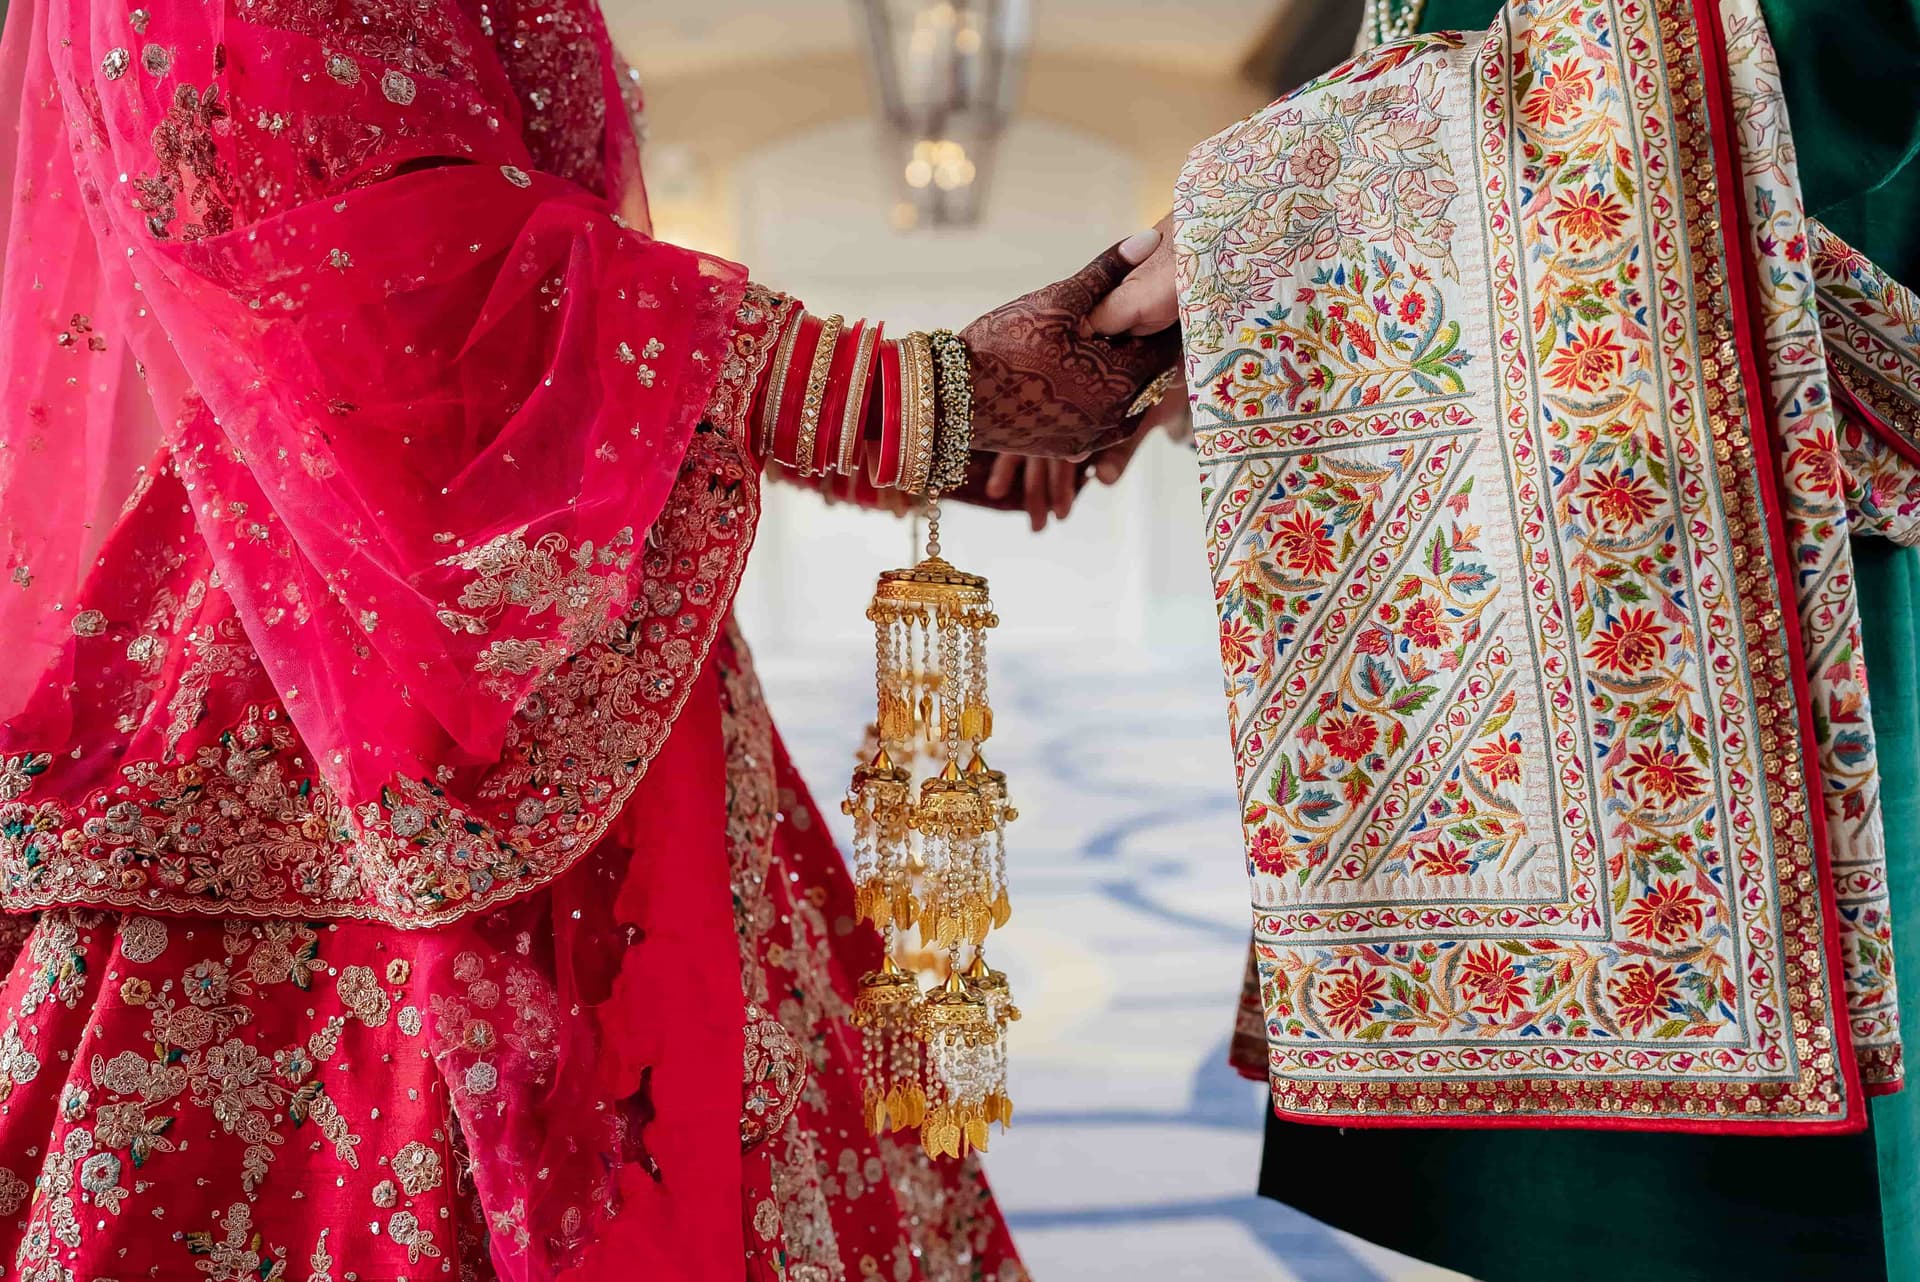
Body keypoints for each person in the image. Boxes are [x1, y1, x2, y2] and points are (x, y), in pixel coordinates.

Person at [0, 1, 1174, 1278]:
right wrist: (887, 397)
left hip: (574, 679)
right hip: (342, 677)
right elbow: (347, 224)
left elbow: (531, 340)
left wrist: (917, 420)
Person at [1089, 0, 1920, 1278]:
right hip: (1600, 567)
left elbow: (1847, 98)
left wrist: (1260, 225)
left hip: (1814, 553)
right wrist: (1258, 296)